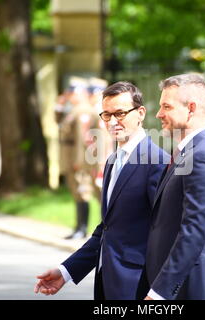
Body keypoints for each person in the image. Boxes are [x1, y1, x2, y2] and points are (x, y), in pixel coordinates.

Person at [34, 81, 169, 300]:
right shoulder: (112, 161)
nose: (113, 122)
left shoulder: (158, 162)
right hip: (107, 284)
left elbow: (167, 232)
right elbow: (107, 229)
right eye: (107, 115)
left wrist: (159, 292)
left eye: (120, 113)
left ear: (141, 113)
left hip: (140, 287)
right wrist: (66, 271)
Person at [144, 73, 205, 300]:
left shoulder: (204, 156)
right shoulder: (188, 152)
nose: (159, 114)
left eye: (167, 106)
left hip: (196, 289)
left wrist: (159, 292)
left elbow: (194, 231)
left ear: (191, 108)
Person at [60, 77, 100, 240]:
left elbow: (82, 139)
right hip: (70, 155)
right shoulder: (74, 109)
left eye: (72, 92)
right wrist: (59, 105)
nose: (69, 96)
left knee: (82, 191)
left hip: (77, 157)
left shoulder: (83, 110)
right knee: (76, 191)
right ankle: (79, 226)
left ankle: (82, 228)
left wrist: (79, 160)